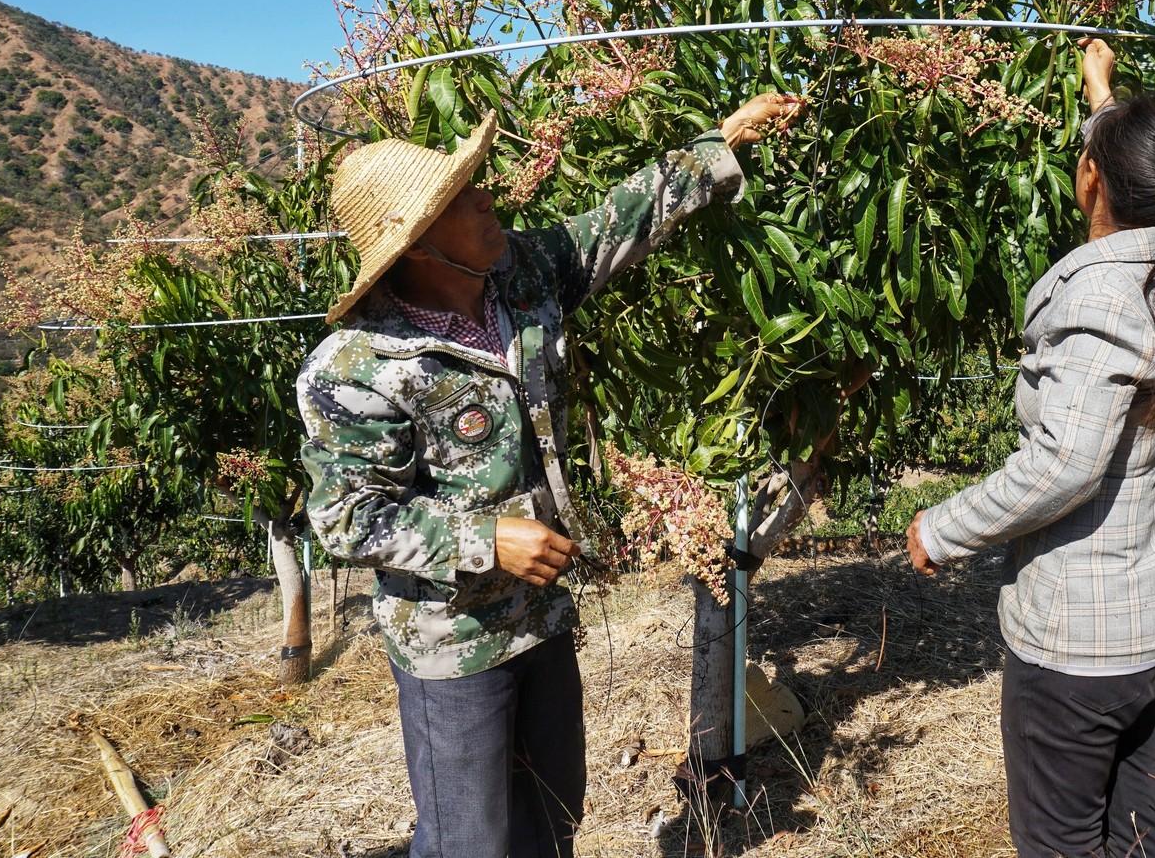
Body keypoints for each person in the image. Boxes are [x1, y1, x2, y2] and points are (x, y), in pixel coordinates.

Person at [297, 91, 803, 858]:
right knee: (471, 839)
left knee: (554, 812)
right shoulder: (356, 369)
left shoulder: (521, 279)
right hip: (453, 641)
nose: (487, 196)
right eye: (464, 198)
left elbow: (612, 223)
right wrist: (484, 540)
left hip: (539, 617)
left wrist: (713, 150)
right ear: (421, 245)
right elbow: (345, 516)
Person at [906, 39, 1155, 858]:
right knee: (1139, 824)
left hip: (1088, 645)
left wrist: (941, 528)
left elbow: (1062, 464)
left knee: (1061, 841)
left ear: (1092, 178)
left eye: (1088, 157)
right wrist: (1101, 91)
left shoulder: (1100, 295)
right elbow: (1135, 169)